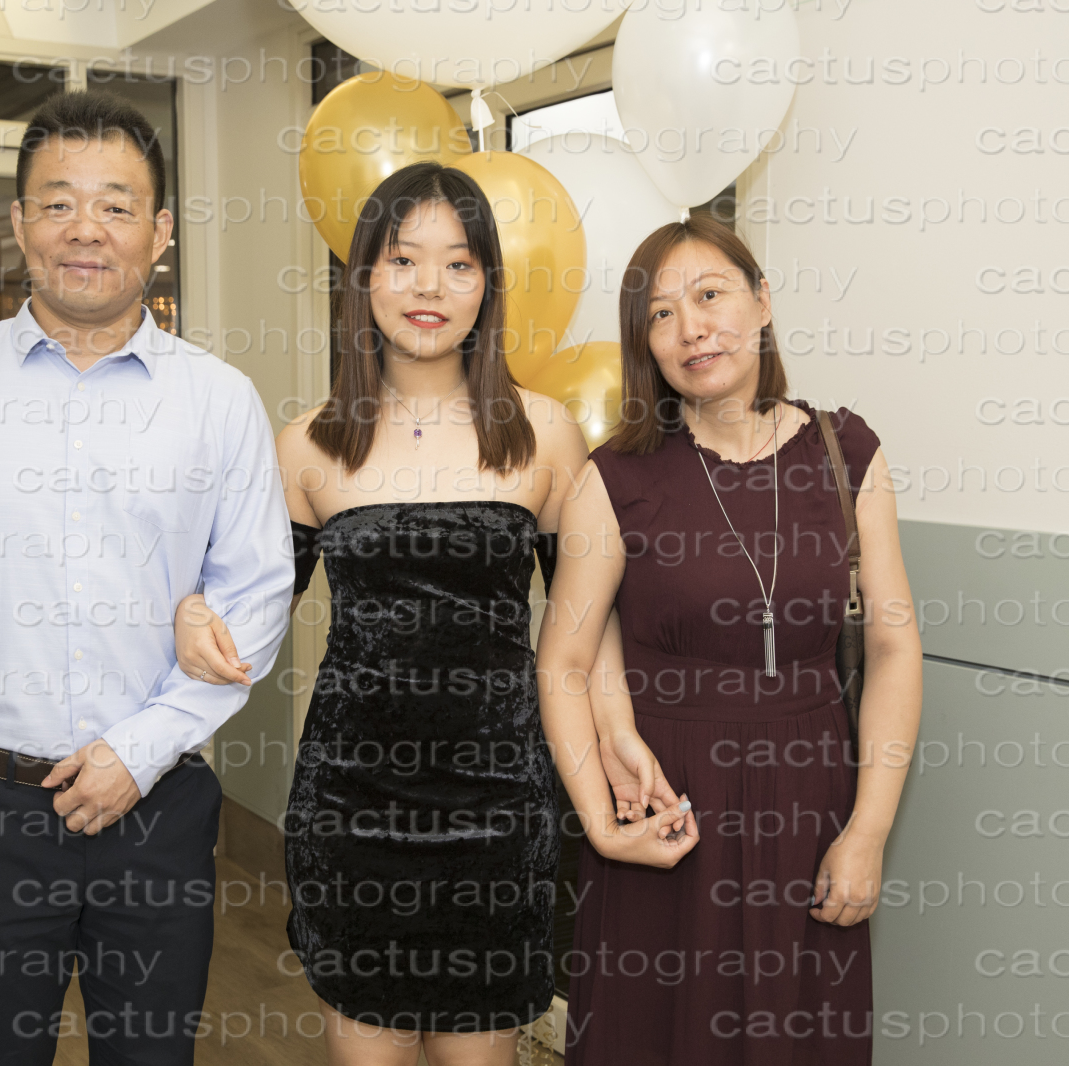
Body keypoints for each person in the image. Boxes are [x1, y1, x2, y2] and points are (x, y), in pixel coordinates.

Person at [173, 159, 679, 1066]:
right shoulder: (307, 445)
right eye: (403, 260)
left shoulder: (544, 433)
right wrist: (189, 611)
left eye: (458, 264)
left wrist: (618, 740)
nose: (429, 288)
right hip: (352, 808)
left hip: (500, 808)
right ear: (364, 277)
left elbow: (586, 627)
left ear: (488, 284)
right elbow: (248, 616)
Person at [0, 92, 294, 1065]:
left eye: (116, 205)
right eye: (58, 203)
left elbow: (256, 601)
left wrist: (139, 749)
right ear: (18, 223)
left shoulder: (219, 402)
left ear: (160, 232)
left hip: (158, 808)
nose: (85, 229)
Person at [537, 213, 923, 1064]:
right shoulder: (616, 478)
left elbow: (894, 648)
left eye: (709, 295)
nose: (691, 327)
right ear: (646, 343)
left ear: (762, 302)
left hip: (811, 806)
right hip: (666, 812)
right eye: (661, 313)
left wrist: (867, 832)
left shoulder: (847, 452)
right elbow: (563, 661)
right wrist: (601, 823)